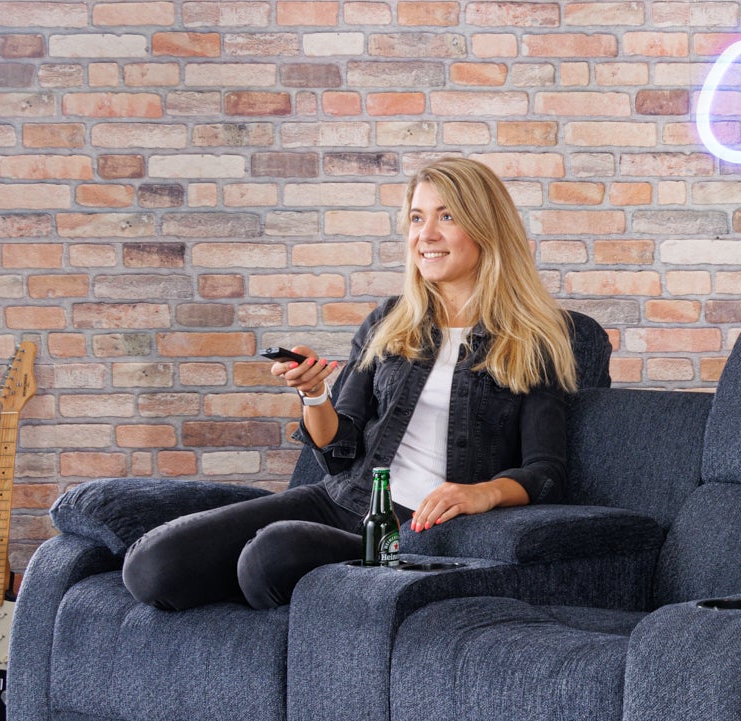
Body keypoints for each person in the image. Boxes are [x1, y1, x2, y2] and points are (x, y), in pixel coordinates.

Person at [122, 157, 581, 611]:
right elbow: (338, 451)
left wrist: (481, 493)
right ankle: (267, 585)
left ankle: (272, 581)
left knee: (272, 555)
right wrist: (314, 394)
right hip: (344, 501)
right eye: (417, 218)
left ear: (486, 228)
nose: (426, 235)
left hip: (415, 531)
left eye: (447, 217)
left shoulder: (531, 340)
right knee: (152, 566)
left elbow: (547, 473)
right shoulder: (389, 321)